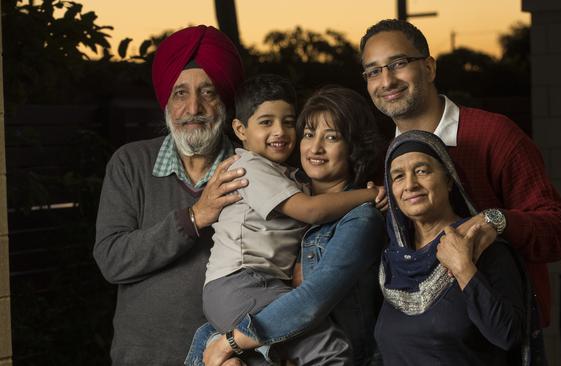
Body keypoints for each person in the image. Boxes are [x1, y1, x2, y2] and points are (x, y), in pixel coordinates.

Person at [359, 19, 561, 326]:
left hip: (497, 341)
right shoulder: (383, 164)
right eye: (374, 71)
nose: (387, 80)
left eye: (399, 63)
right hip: (417, 345)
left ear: (430, 68)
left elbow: (558, 232)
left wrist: (496, 221)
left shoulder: (494, 135)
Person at [193, 86, 387, 366]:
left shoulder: (360, 218)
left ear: (354, 147)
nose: (315, 147)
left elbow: (312, 299)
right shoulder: (288, 191)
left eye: (331, 137)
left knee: (331, 353)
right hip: (243, 288)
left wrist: (229, 343)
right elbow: (313, 211)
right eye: (309, 134)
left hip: (349, 352)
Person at [94, 25, 248, 365]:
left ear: (224, 99)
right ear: (166, 100)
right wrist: (194, 217)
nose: (194, 107)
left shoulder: (250, 169)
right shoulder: (130, 164)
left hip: (228, 360)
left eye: (207, 92)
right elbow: (112, 259)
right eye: (180, 93)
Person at [375, 129, 528, 365]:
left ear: (448, 180)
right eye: (398, 176)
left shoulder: (483, 245)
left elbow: (508, 335)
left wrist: (463, 267)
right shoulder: (392, 261)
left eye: (422, 171)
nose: (410, 184)